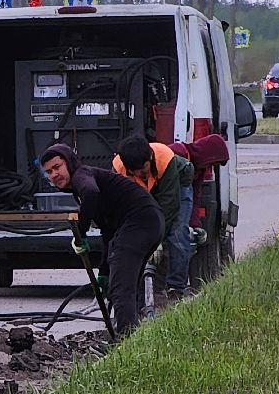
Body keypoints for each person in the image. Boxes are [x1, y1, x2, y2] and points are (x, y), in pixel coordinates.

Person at [40, 142, 165, 337]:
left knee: (121, 287)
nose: (53, 175)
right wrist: (104, 271)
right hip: (150, 222)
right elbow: (108, 232)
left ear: (70, 163)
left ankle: (126, 341)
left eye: (57, 167)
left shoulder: (82, 176)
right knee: (128, 283)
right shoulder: (86, 183)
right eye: (48, 172)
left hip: (140, 221)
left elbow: (91, 193)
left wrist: (79, 233)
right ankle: (137, 336)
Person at [113, 135, 195, 298]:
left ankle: (176, 287)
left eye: (143, 169)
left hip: (177, 186)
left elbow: (170, 205)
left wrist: (154, 238)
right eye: (134, 172)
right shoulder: (119, 168)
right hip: (146, 192)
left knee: (178, 233)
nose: (141, 174)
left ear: (150, 157)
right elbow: (122, 204)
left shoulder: (165, 158)